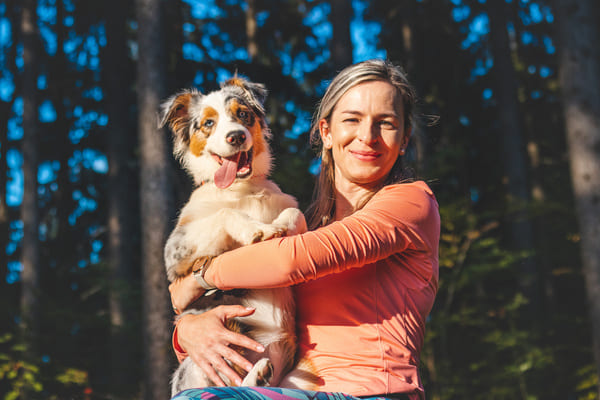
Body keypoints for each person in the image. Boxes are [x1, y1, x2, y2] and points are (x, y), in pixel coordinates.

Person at [168, 59, 440, 400]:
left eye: (385, 123)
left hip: (372, 394)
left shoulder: (411, 203)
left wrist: (198, 277)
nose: (367, 136)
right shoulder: (308, 221)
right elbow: (245, 308)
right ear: (326, 132)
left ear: (404, 139)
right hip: (287, 386)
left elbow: (289, 262)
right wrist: (188, 330)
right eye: (352, 119)